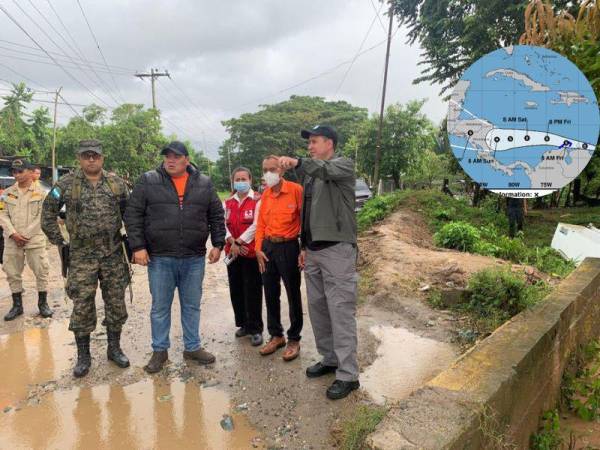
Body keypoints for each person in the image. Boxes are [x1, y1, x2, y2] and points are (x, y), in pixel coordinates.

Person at [124, 141, 226, 374]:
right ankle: (160, 350)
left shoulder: (204, 183)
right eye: (167, 156)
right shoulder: (148, 180)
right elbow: (133, 215)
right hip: (160, 257)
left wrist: (218, 244)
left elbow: (216, 216)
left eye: (176, 157)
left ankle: (192, 348)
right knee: (160, 306)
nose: (170, 160)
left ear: (186, 160)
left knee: (191, 305)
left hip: (193, 257)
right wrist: (138, 246)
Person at [279, 125, 360, 400]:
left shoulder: (343, 166)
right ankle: (330, 359)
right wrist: (303, 245)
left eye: (314, 142)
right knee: (318, 309)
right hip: (313, 252)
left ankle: (348, 375)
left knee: (341, 311)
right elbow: (308, 213)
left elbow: (323, 169)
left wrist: (300, 163)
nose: (310, 146)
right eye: (309, 143)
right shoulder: (311, 178)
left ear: (330, 143)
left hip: (337, 250)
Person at [42, 140, 130, 378]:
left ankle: (114, 348)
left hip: (112, 253)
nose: (91, 159)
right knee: (81, 305)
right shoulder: (66, 184)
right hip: (81, 256)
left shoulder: (116, 184)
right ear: (79, 158)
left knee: (115, 302)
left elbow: (131, 214)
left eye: (95, 156)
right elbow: (48, 213)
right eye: (86, 156)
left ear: (102, 158)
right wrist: (60, 242)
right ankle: (84, 355)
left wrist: (135, 244)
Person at [255, 155, 303, 361]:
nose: (269, 174)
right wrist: (258, 249)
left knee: (293, 293)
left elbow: (304, 221)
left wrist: (304, 248)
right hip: (268, 248)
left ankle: (294, 339)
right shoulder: (265, 194)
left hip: (288, 247)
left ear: (282, 170)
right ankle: (276, 335)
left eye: (273, 169)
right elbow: (261, 225)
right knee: (270, 292)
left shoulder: (295, 190)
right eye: (265, 169)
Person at [0, 159, 52, 321]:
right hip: (12, 240)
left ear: (30, 171)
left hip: (34, 240)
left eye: (20, 171)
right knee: (12, 272)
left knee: (41, 271)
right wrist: (13, 233)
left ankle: (43, 303)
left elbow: (42, 217)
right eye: (14, 172)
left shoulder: (42, 193)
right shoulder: (7, 193)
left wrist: (26, 235)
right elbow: (2, 214)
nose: (16, 175)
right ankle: (17, 306)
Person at [224, 167, 263, 346]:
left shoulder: (257, 200)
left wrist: (239, 242)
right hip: (232, 254)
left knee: (252, 290)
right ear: (233, 182)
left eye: (243, 178)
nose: (240, 181)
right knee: (236, 290)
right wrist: (232, 242)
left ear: (250, 180)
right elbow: (222, 225)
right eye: (237, 179)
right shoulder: (228, 202)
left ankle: (256, 328)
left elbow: (256, 225)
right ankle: (244, 325)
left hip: (250, 253)